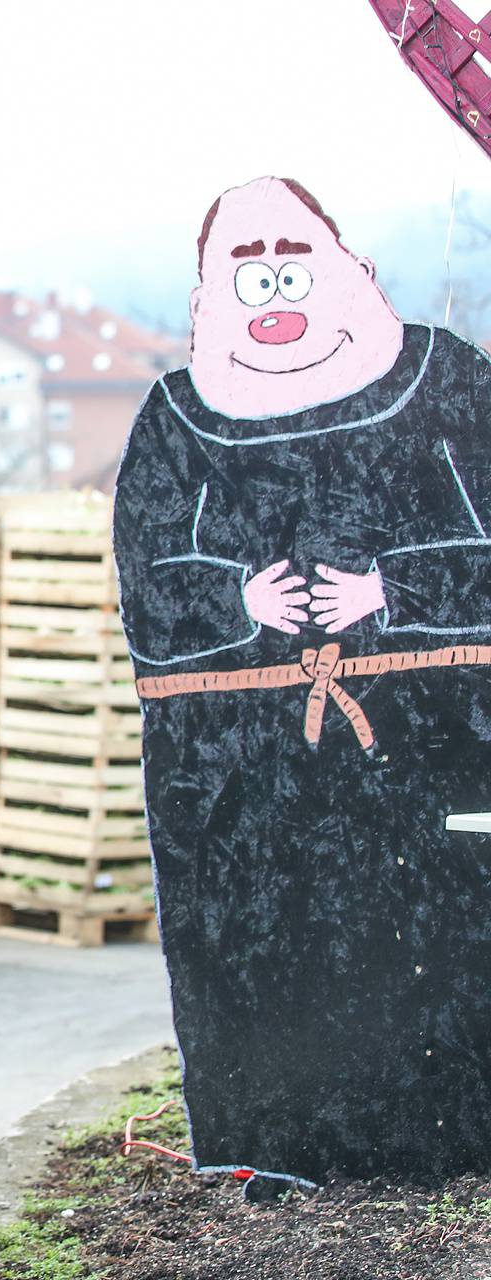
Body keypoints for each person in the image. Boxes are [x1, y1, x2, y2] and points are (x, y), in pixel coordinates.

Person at [116, 177, 491, 1180]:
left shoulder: (442, 376)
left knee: (440, 932)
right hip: (246, 772)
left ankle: (451, 1135)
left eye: (293, 264)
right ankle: (274, 1142)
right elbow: (147, 574)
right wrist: (242, 603)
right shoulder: (176, 416)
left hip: (432, 739)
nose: (273, 294)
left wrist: (388, 589)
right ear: (206, 301)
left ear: (351, 270)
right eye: (247, 276)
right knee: (264, 945)